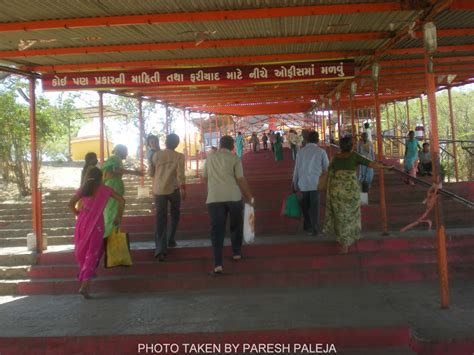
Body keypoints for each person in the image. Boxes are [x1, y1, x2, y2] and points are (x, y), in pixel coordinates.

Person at [323, 137, 392, 253]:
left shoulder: (335, 158)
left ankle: (343, 240)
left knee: (340, 216)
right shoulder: (354, 156)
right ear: (351, 146)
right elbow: (371, 164)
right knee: (352, 213)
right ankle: (350, 238)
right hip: (350, 191)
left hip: (336, 190)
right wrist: (385, 167)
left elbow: (330, 172)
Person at [68, 167, 125, 298]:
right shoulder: (105, 190)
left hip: (82, 223)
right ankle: (84, 286)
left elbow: (70, 204)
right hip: (96, 225)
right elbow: (122, 200)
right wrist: (118, 216)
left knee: (82, 251)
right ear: (101, 178)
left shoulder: (83, 190)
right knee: (92, 254)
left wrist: (79, 214)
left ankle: (84, 280)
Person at [203, 135, 254, 274]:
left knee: (216, 230)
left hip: (214, 198)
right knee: (236, 225)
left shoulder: (210, 158)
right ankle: (236, 252)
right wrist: (249, 196)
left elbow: (204, 177)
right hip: (233, 197)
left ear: (220, 145)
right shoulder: (235, 159)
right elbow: (241, 179)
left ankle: (218, 263)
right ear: (232, 146)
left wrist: (213, 187)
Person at [152, 134, 186, 260]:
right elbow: (181, 175)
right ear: (176, 144)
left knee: (161, 218)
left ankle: (160, 249)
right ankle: (171, 238)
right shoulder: (179, 156)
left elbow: (154, 169)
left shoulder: (157, 155)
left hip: (159, 190)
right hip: (173, 189)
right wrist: (184, 189)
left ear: (165, 142)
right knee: (175, 214)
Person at [102, 144, 143, 240]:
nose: (127, 154)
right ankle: (110, 236)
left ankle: (110, 234)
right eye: (126, 151)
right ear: (120, 151)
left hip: (110, 185)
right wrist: (135, 173)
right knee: (113, 213)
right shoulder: (116, 158)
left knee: (110, 211)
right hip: (114, 185)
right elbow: (116, 170)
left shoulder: (112, 159)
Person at [292, 131, 329, 236]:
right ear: (317, 139)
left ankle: (308, 226)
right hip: (315, 184)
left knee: (305, 206)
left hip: (303, 184)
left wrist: (294, 184)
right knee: (315, 207)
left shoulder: (300, 152)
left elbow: (296, 169)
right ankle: (315, 229)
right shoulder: (321, 152)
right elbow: (327, 168)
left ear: (307, 139)